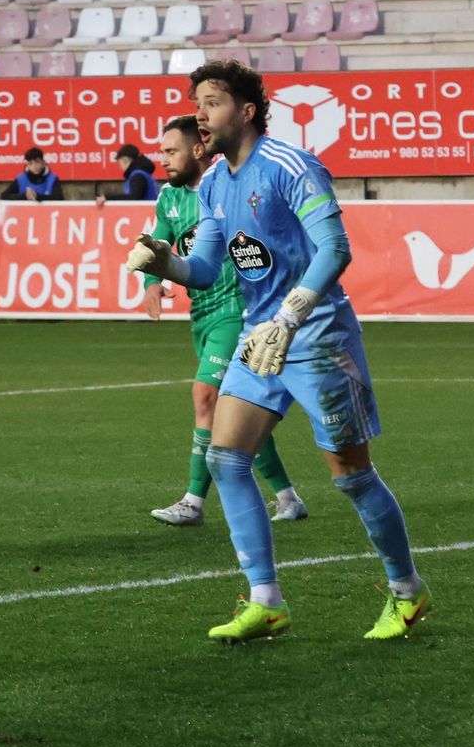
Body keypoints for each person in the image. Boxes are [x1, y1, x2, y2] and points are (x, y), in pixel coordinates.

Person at [126, 59, 430, 643]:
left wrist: (289, 318)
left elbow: (334, 249)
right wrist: (166, 266)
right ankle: (266, 601)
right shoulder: (212, 182)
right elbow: (209, 267)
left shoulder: (292, 166)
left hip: (315, 337)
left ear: (246, 111)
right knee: (226, 456)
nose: (200, 114)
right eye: (197, 102)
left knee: (351, 474)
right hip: (259, 339)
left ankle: (408, 592)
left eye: (211, 102)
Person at [141, 114, 307, 528]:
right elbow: (158, 245)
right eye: (162, 152)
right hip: (202, 313)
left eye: (171, 151)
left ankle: (193, 501)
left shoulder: (225, 186)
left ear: (198, 149)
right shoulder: (169, 198)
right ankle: (288, 496)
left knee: (206, 398)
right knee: (237, 410)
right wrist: (151, 282)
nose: (163, 159)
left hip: (237, 310)